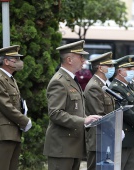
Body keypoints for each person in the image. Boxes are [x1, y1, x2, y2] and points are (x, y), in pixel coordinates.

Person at [43, 40, 101, 170]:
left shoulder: (71, 80)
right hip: (62, 147)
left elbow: (75, 110)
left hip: (72, 146)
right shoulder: (59, 82)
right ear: (69, 59)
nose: (84, 61)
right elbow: (55, 113)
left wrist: (89, 119)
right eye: (81, 57)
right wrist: (83, 120)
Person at [0, 45, 32, 170]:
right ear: (6, 61)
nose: (19, 62)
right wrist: (24, 121)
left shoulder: (10, 79)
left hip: (13, 132)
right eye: (15, 59)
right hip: (4, 133)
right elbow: (6, 106)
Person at [109, 55, 134, 170]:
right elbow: (125, 110)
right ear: (120, 71)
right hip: (126, 136)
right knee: (123, 165)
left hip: (133, 134)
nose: (132, 72)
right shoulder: (116, 88)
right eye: (129, 69)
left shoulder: (128, 87)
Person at [84, 51, 116, 170]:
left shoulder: (103, 85)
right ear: (100, 68)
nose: (113, 68)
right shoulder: (94, 86)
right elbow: (100, 115)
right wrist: (115, 130)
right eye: (110, 66)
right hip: (98, 139)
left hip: (106, 137)